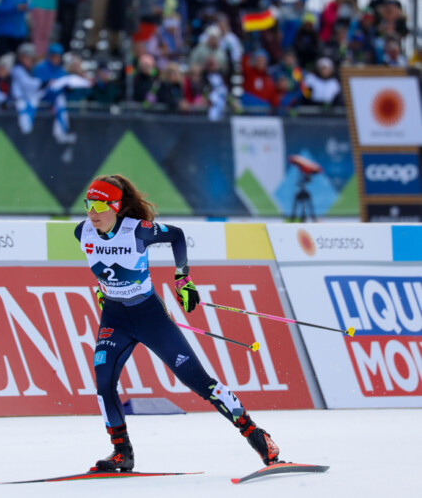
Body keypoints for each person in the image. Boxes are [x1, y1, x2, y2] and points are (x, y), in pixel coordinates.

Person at [74, 175, 282, 472]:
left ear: (116, 206)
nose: (91, 213)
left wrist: (183, 277)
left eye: (98, 205)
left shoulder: (139, 231)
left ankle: (257, 437)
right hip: (115, 319)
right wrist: (102, 290)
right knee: (103, 382)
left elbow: (177, 235)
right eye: (88, 205)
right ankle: (122, 452)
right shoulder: (82, 232)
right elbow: (103, 268)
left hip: (150, 317)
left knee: (197, 381)